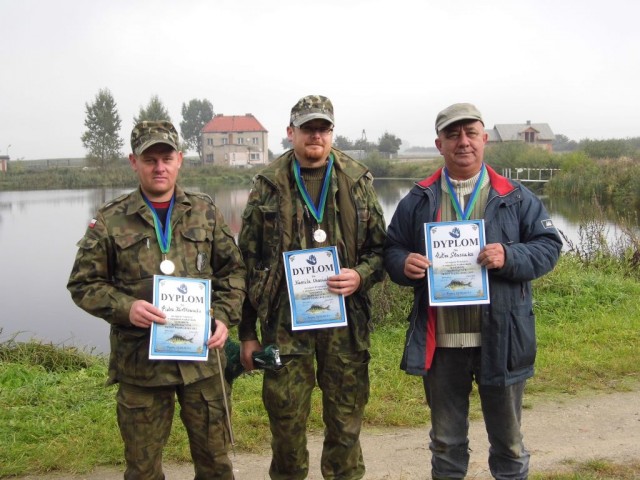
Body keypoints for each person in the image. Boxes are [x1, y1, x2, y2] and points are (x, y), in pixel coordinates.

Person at [384, 103, 562, 480]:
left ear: (484, 139)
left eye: (470, 133)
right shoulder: (418, 198)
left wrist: (509, 255)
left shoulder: (516, 196)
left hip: (502, 338)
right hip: (442, 343)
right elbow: (392, 248)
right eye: (452, 135)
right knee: (446, 444)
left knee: (509, 444)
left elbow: (548, 247)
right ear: (439, 144)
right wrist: (403, 264)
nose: (462, 142)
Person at [67, 120, 246, 480]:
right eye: (150, 160)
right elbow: (83, 283)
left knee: (216, 465)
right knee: (143, 470)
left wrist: (224, 317)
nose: (159, 167)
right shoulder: (110, 219)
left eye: (166, 158)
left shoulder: (205, 212)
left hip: (202, 363)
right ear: (134, 162)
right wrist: (126, 308)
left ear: (180, 159)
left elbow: (234, 272)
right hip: (141, 365)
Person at [238, 95, 387, 480]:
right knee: (285, 427)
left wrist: (360, 275)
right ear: (292, 132)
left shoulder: (357, 180)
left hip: (346, 324)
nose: (316, 136)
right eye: (308, 129)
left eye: (323, 128)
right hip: (284, 326)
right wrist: (247, 334)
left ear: (332, 132)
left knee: (346, 426)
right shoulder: (268, 184)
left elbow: (381, 251)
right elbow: (247, 262)